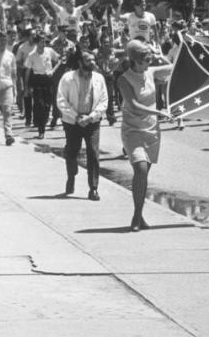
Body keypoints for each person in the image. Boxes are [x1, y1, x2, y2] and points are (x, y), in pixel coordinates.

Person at [117, 40, 173, 230]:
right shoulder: (124, 79)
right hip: (132, 130)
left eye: (150, 59)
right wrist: (160, 112)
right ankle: (136, 217)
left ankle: (139, 215)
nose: (149, 63)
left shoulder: (150, 72)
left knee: (144, 175)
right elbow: (133, 105)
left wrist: (162, 55)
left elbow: (174, 67)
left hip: (151, 131)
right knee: (140, 169)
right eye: (145, 60)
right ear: (135, 60)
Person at [57, 50, 108, 199]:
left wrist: (91, 117)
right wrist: (76, 116)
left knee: (93, 153)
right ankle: (71, 177)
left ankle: (93, 188)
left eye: (93, 60)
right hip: (73, 122)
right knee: (72, 152)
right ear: (80, 62)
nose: (92, 63)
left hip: (92, 122)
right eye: (88, 60)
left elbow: (103, 101)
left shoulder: (99, 78)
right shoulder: (68, 78)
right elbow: (61, 100)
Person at [24, 32, 59, 140]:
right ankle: (41, 129)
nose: (43, 44)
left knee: (48, 105)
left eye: (44, 42)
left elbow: (59, 60)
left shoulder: (49, 51)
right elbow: (28, 71)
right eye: (41, 42)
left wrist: (53, 70)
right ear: (36, 43)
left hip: (48, 79)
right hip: (37, 79)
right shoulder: (32, 55)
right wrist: (26, 86)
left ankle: (43, 121)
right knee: (39, 104)